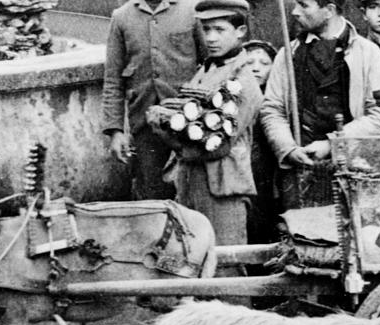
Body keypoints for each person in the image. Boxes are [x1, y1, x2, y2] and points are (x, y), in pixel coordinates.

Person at [260, 0, 380, 208]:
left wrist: (333, 144)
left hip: (354, 173)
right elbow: (272, 110)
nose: (295, 12)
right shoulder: (287, 54)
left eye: (304, 5)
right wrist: (287, 148)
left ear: (329, 10)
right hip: (300, 175)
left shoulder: (369, 54)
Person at [163, 0, 262, 247]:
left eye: (219, 30)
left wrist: (164, 124)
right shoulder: (206, 69)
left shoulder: (242, 80)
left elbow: (218, 145)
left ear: (240, 31)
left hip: (223, 188)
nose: (210, 38)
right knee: (188, 259)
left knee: (226, 263)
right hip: (190, 182)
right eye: (206, 30)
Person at [102, 0, 202, 200]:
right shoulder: (121, 16)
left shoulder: (191, 10)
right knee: (152, 191)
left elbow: (210, 63)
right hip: (144, 125)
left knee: (192, 190)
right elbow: (113, 79)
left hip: (189, 123)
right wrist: (115, 131)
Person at [243, 38, 279, 242]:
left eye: (264, 63)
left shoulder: (276, 100)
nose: (256, 69)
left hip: (267, 168)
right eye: (250, 63)